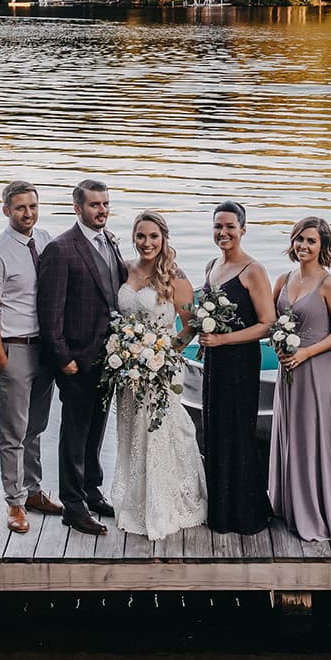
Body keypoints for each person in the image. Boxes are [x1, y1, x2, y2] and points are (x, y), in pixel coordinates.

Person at [36, 178, 128, 536]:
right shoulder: (61, 249)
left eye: (105, 204)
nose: (101, 210)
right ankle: (72, 505)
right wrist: (63, 359)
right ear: (78, 208)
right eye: (94, 205)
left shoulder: (110, 241)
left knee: (96, 430)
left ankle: (92, 490)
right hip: (76, 359)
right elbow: (50, 312)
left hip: (109, 359)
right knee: (74, 434)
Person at [110, 211, 208, 539]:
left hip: (160, 369)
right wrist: (127, 353)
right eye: (141, 236)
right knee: (131, 433)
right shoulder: (124, 269)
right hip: (128, 370)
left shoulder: (174, 277)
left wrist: (166, 354)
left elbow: (191, 324)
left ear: (163, 238)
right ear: (134, 237)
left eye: (153, 236)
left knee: (162, 432)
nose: (147, 243)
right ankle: (135, 500)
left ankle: (165, 501)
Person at [269, 217, 331, 541]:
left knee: (315, 434)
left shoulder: (329, 284)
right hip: (288, 368)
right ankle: (291, 504)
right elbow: (272, 322)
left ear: (322, 246)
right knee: (292, 433)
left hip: (317, 369)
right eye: (299, 239)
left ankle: (319, 508)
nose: (303, 246)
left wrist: (307, 353)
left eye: (311, 241)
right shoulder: (283, 279)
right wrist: (277, 344)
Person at [0, 180, 63, 534]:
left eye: (32, 206)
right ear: (6, 211)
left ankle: (33, 490)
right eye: (19, 208)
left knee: (36, 427)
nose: (27, 213)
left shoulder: (43, 240)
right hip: (14, 348)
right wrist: (1, 356)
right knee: (13, 431)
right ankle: (14, 502)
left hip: (44, 350)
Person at [195, 201, 274, 534]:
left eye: (230, 226)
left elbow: (267, 324)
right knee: (215, 429)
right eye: (218, 226)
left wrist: (224, 342)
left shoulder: (252, 270)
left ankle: (246, 512)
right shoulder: (212, 265)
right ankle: (220, 509)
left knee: (238, 431)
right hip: (214, 360)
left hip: (240, 360)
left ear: (243, 229)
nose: (223, 233)